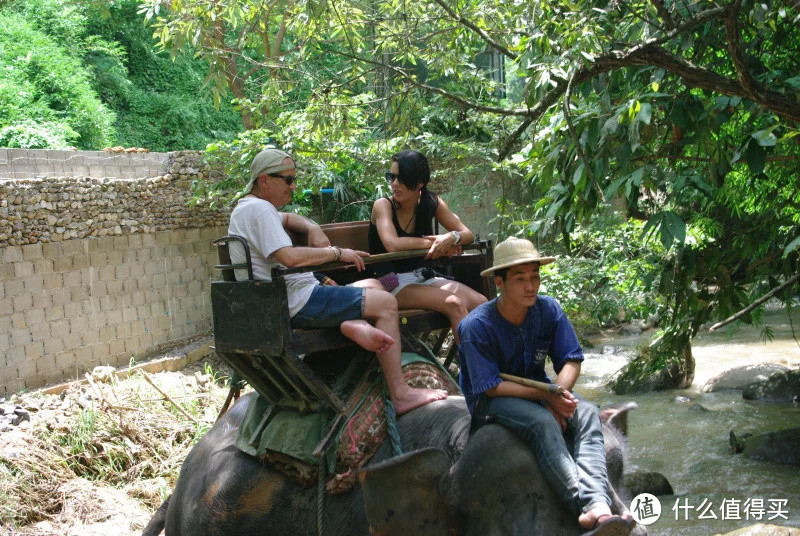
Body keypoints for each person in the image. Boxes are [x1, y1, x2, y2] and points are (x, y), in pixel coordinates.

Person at [228, 147, 447, 415]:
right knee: (387, 302)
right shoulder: (261, 211)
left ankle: (348, 322)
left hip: (285, 297)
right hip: (298, 301)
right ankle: (401, 394)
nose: (294, 187)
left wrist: (311, 226)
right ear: (264, 180)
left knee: (372, 285)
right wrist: (336, 253)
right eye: (288, 180)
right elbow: (289, 258)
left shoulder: (248, 208)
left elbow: (286, 219)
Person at [458, 237, 634, 535]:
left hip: (543, 391)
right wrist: (546, 398)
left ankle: (598, 501)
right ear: (499, 282)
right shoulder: (476, 327)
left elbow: (571, 360)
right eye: (520, 279)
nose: (531, 286)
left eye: (535, 277)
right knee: (542, 423)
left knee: (588, 412)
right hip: (493, 402)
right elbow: (490, 387)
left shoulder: (548, 310)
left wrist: (559, 394)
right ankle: (584, 504)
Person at [368, 150, 487, 343]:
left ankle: (491, 365)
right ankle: (474, 372)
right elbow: (393, 244)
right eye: (392, 177)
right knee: (454, 304)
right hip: (389, 283)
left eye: (402, 178)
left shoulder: (431, 202)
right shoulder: (383, 205)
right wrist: (440, 242)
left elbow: (467, 234)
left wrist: (453, 237)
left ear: (420, 182)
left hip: (423, 276)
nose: (394, 184)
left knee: (481, 304)